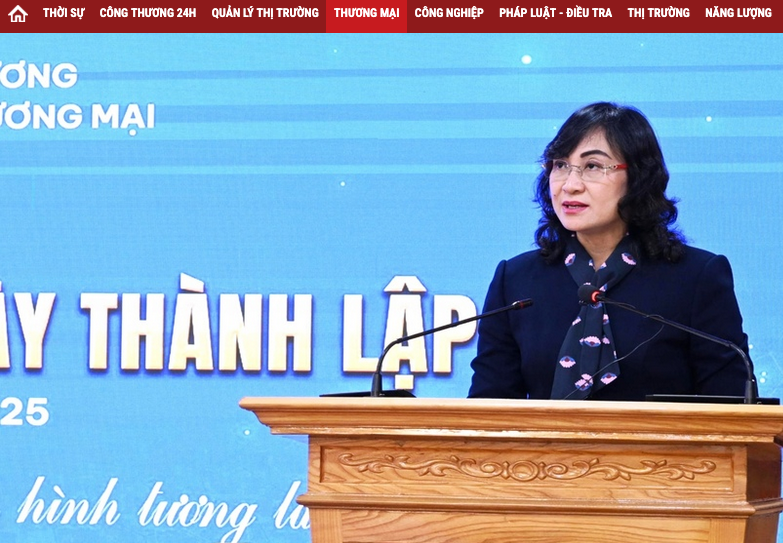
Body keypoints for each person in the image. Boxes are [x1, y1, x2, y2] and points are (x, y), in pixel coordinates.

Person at [468, 102, 752, 401]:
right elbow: (488, 410)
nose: (570, 185)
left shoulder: (696, 278)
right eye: (560, 165)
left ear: (638, 177)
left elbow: (731, 407)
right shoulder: (516, 280)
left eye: (592, 166)